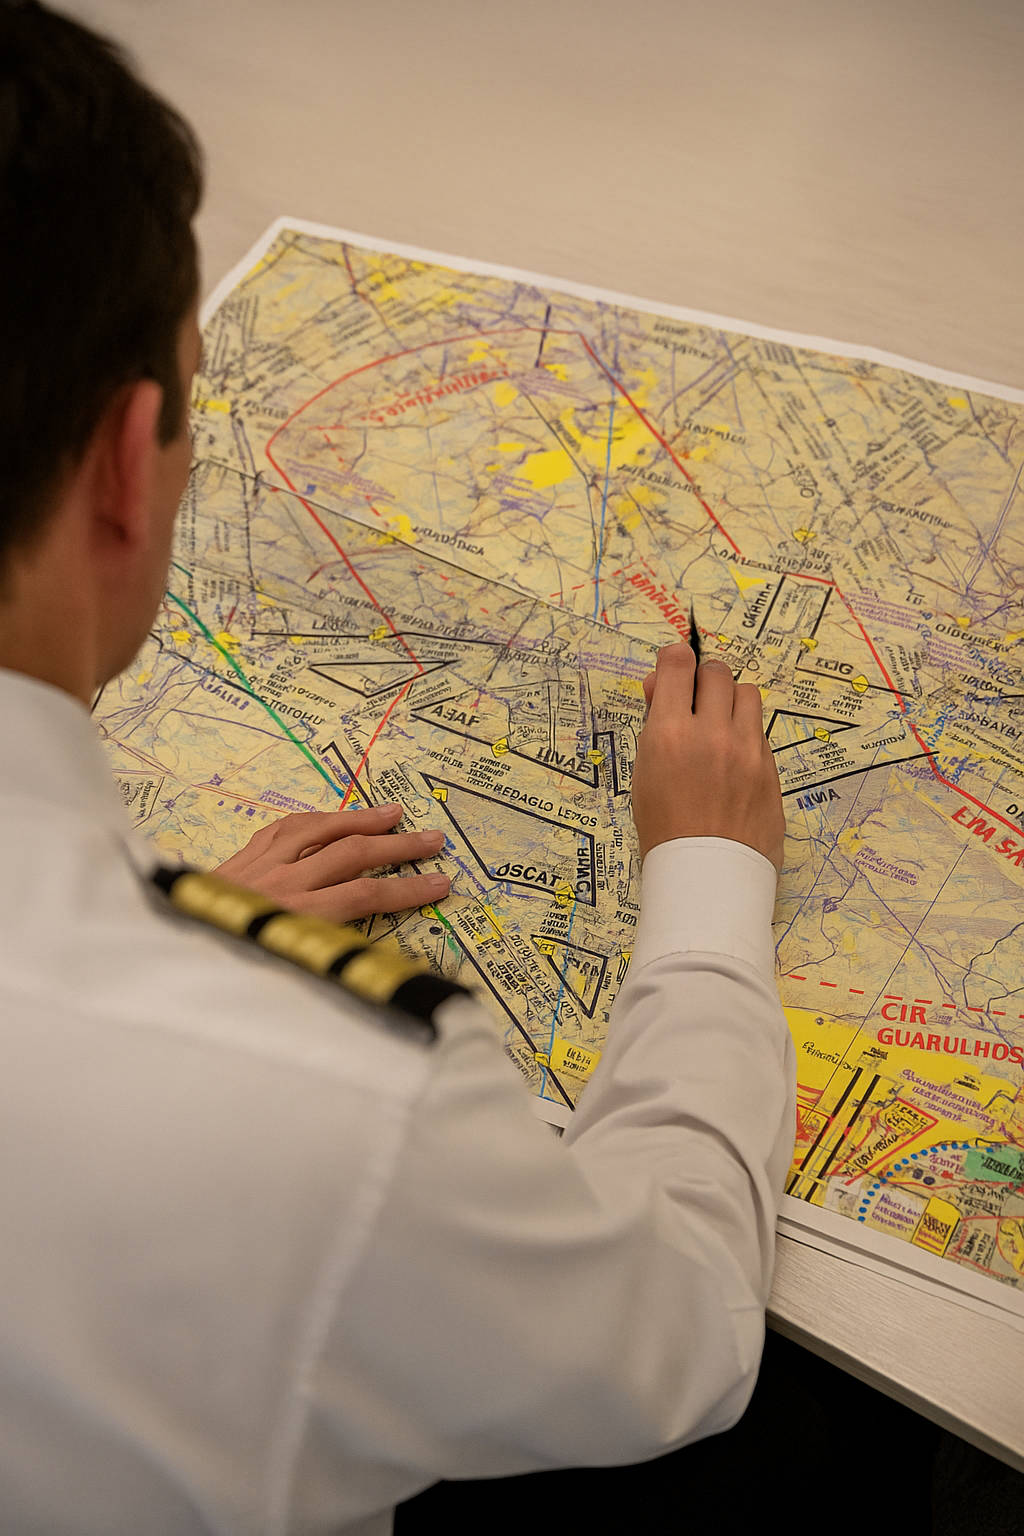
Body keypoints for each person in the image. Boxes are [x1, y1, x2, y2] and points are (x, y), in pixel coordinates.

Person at [0, 3, 794, 1533]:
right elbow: (678, 1327)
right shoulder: (328, 1100)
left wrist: (155, 926)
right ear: (123, 459)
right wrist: (707, 896)